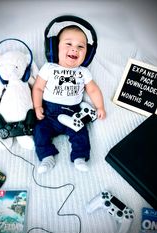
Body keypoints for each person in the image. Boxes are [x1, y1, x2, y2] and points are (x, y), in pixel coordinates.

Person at [32, 25, 106, 174]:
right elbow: (38, 88)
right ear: (54, 48)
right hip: (49, 113)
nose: (75, 49)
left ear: (88, 54)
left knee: (81, 132)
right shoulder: (49, 68)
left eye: (81, 47)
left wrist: (100, 107)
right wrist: (37, 106)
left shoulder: (83, 72)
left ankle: (79, 157)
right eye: (68, 44)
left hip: (73, 114)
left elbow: (92, 89)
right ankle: (47, 157)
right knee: (39, 130)